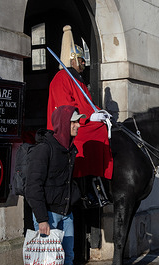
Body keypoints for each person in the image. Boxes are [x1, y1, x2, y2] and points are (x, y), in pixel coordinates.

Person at [47, 25, 113, 202]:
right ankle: (88, 184)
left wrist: (98, 112)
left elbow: (86, 105)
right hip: (67, 125)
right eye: (81, 59)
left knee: (101, 128)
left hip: (80, 120)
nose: (84, 62)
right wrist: (90, 117)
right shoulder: (61, 79)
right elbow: (66, 108)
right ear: (72, 60)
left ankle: (97, 181)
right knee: (93, 133)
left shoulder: (79, 81)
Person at [26, 105, 85, 265]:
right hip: (48, 216)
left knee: (68, 260)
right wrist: (42, 219)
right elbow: (32, 187)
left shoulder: (70, 149)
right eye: (74, 121)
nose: (78, 124)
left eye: (78, 121)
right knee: (44, 263)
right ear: (63, 123)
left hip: (66, 214)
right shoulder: (44, 149)